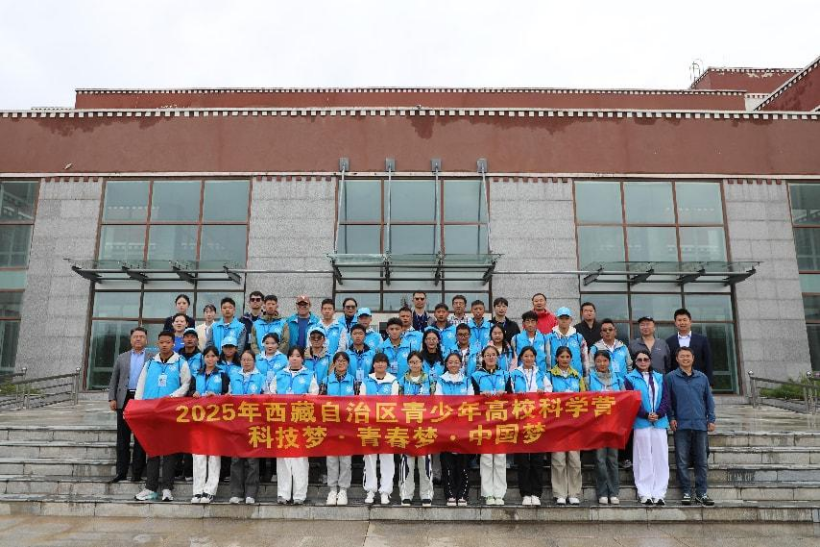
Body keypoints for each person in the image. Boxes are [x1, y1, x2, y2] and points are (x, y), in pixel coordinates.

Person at [134, 330, 191, 502]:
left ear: (173, 344)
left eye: (168, 342)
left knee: (169, 451)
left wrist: (173, 397)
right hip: (150, 412)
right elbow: (140, 386)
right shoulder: (150, 363)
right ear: (157, 343)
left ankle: (167, 488)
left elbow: (186, 384)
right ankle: (150, 488)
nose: (164, 345)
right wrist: (137, 406)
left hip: (169, 413)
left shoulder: (180, 362)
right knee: (152, 450)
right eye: (161, 342)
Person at [665, 346, 716, 507]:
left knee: (702, 460)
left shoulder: (702, 377)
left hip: (700, 424)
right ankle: (686, 491)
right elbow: (668, 401)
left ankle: (701, 493)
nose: (685, 359)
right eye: (682, 356)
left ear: (693, 358)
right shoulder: (670, 377)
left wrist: (711, 419)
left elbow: (708, 400)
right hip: (681, 424)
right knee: (682, 460)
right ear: (677, 359)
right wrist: (671, 418)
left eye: (688, 356)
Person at [270, 346, 320, 504]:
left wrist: (307, 398)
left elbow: (315, 395)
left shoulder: (309, 375)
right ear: (288, 358)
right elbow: (271, 394)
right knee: (283, 459)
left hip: (301, 423)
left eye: (297, 356)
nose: (294, 358)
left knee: (300, 460)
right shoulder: (280, 375)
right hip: (283, 422)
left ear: (302, 359)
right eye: (291, 356)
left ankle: (299, 495)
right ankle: (283, 494)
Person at [624, 349, 671, 506]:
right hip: (641, 422)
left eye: (645, 359)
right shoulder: (629, 378)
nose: (643, 362)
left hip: (659, 421)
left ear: (650, 361)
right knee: (643, 457)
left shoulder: (659, 377)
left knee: (661, 457)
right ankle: (644, 492)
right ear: (635, 362)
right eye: (639, 360)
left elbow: (665, 398)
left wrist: (659, 413)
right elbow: (632, 400)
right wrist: (645, 414)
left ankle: (660, 493)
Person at [107, 326, 153, 483]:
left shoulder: (153, 357)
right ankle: (121, 472)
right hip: (124, 398)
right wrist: (112, 398)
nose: (138, 339)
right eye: (135, 336)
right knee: (123, 437)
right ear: (131, 339)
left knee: (140, 437)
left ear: (146, 339)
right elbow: (114, 378)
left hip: (143, 400)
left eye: (141, 336)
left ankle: (137, 473)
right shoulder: (122, 357)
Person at [510, 346, 550, 506]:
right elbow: (509, 393)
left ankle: (536, 493)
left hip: (537, 420)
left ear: (535, 358)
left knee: (537, 459)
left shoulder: (541, 373)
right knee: (523, 460)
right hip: (520, 420)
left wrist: (543, 393)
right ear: (521, 358)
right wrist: (516, 396)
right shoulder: (514, 374)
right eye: (525, 356)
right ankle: (525, 493)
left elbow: (550, 392)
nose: (528, 359)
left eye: (531, 356)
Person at [189, 346, 229, 504]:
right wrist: (193, 394)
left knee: (213, 455)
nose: (210, 359)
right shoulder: (196, 374)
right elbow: (189, 392)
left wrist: (216, 396)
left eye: (213, 356)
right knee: (198, 456)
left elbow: (227, 396)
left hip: (216, 420)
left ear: (217, 358)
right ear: (203, 358)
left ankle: (210, 491)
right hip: (197, 420)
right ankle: (197, 491)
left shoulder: (222, 375)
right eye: (207, 356)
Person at [227, 349, 267, 505]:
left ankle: (251, 493)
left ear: (254, 361)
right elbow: (229, 396)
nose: (246, 362)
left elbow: (268, 398)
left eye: (249, 359)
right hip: (236, 422)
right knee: (236, 459)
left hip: (254, 423)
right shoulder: (234, 376)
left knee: (252, 460)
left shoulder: (261, 378)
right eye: (243, 359)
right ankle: (236, 492)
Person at [472, 345, 511, 506]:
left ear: (498, 357)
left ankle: (499, 494)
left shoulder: (506, 375)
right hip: (484, 421)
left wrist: (505, 395)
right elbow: (471, 398)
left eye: (493, 354)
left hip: (501, 420)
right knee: (487, 458)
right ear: (483, 357)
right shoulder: (476, 376)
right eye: (487, 355)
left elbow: (512, 398)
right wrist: (480, 395)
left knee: (500, 458)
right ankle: (488, 494)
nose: (490, 357)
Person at [359, 352, 399, 505]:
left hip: (387, 425)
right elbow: (362, 402)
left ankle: (385, 491)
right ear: (373, 364)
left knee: (387, 459)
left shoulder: (393, 381)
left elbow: (394, 403)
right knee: (369, 458)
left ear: (387, 364)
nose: (380, 364)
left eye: (383, 362)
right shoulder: (366, 381)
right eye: (377, 362)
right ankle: (370, 490)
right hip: (369, 424)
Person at [434, 352, 474, 506]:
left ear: (461, 364)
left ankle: (462, 494)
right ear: (446, 364)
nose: (453, 364)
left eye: (456, 362)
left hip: (463, 426)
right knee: (448, 462)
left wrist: (457, 409)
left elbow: (470, 401)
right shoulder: (440, 380)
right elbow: (438, 400)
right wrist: (453, 409)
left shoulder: (467, 380)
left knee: (463, 462)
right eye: (450, 362)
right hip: (446, 425)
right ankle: (450, 494)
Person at [548, 346, 585, 505]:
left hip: (574, 423)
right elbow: (546, 399)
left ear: (571, 358)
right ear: (556, 358)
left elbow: (584, 399)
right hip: (556, 423)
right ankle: (560, 493)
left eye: (567, 357)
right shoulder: (550, 375)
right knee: (558, 459)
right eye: (562, 357)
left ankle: (573, 492)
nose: (564, 359)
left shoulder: (577, 376)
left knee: (574, 459)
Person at [397, 351, 435, 507]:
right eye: (412, 362)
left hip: (424, 426)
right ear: (408, 364)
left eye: (417, 362)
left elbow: (434, 402)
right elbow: (396, 403)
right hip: (406, 426)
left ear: (422, 363)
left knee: (425, 462)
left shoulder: (429, 380)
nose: (414, 364)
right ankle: (406, 494)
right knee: (407, 462)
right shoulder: (402, 381)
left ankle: (426, 494)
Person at [587, 350, 624, 505]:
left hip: (614, 423)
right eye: (599, 361)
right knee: (600, 459)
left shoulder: (618, 378)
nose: (602, 364)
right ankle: (602, 492)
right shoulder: (589, 378)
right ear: (594, 362)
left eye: (605, 361)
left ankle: (614, 492)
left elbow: (624, 399)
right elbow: (585, 400)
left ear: (609, 362)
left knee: (613, 459)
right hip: (597, 424)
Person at [321, 352, 357, 506]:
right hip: (331, 426)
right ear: (334, 363)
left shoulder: (354, 381)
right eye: (338, 361)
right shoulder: (326, 381)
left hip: (347, 426)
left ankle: (343, 490)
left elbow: (359, 404)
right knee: (331, 459)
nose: (341, 363)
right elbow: (320, 404)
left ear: (348, 363)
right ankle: (332, 489)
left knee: (346, 460)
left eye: (344, 361)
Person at [666, 308, 714, 384]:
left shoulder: (702, 340)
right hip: (676, 382)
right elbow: (668, 364)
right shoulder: (669, 341)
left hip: (698, 380)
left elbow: (708, 361)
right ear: (675, 323)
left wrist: (710, 383)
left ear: (690, 321)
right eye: (679, 320)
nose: (682, 322)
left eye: (684, 320)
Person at [545, 307, 589, 378]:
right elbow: (546, 360)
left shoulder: (579, 337)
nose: (564, 320)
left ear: (571, 320)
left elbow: (585, 359)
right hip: (556, 377)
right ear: (556, 319)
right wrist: (548, 377)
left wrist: (586, 377)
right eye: (561, 318)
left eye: (566, 318)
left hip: (576, 377)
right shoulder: (549, 337)